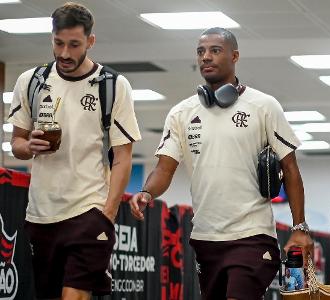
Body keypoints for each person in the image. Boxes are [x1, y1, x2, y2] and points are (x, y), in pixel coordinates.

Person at [128, 27, 313, 299]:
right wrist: (146, 192)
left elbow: (291, 170)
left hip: (252, 234)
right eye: (201, 52)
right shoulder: (181, 113)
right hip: (205, 237)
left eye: (215, 50)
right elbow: (164, 168)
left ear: (234, 56)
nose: (206, 57)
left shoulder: (263, 106)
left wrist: (299, 228)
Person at [7, 2, 140, 299]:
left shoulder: (113, 85)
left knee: (74, 294)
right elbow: (16, 144)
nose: (65, 53)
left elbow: (123, 156)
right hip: (41, 213)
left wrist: (107, 212)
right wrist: (28, 146)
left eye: (74, 44)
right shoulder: (31, 81)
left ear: (90, 41)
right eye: (58, 43)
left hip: (88, 209)